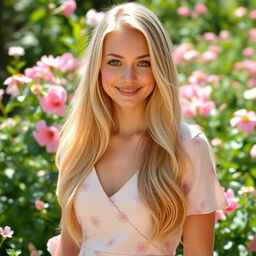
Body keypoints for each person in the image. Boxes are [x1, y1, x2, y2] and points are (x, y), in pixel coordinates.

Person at [49, 2, 229, 256]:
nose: (128, 77)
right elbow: (69, 246)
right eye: (114, 62)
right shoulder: (80, 141)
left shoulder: (187, 146)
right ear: (98, 68)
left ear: (160, 67)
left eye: (143, 63)